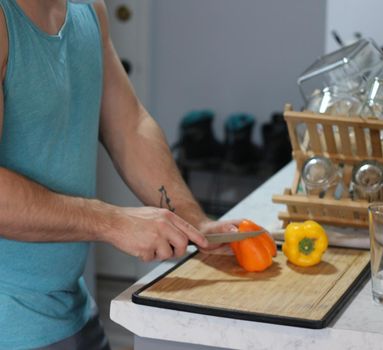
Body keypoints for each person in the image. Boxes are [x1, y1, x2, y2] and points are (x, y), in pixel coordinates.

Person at [0, 0, 238, 349]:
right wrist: (113, 221)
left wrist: (192, 221)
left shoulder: (87, 8)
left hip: (69, 310)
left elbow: (129, 126)